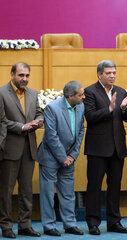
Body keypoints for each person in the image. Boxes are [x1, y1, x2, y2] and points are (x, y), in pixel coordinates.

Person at [84, 60, 127, 235]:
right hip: (98, 148)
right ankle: (93, 222)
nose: (112, 76)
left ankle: (114, 221)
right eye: (108, 73)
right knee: (94, 186)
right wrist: (110, 109)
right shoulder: (89, 92)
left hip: (117, 147)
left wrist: (125, 109)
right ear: (99, 74)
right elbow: (89, 116)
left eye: (114, 72)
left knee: (115, 186)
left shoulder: (121, 91)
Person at [0, 62, 43, 238]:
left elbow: (40, 113)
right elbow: (2, 121)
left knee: (26, 190)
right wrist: (23, 126)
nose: (24, 79)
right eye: (21, 75)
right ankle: (6, 225)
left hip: (29, 148)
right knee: (6, 191)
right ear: (12, 75)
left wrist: (38, 121)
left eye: (27, 75)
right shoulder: (2, 93)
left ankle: (25, 225)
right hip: (9, 148)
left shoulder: (33, 93)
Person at [37, 81, 85, 236]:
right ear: (70, 96)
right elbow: (51, 135)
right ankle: (49, 226)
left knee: (68, 193)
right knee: (48, 193)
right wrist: (62, 157)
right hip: (50, 156)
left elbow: (80, 132)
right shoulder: (52, 107)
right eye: (80, 95)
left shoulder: (81, 106)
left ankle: (70, 224)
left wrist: (72, 155)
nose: (84, 97)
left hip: (69, 157)